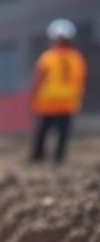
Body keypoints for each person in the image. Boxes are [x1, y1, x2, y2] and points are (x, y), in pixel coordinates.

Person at [31, 19, 88, 164]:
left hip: (47, 102)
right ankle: (59, 158)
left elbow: (39, 79)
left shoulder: (47, 57)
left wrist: (34, 95)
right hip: (67, 102)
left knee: (42, 132)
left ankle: (38, 157)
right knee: (63, 133)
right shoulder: (77, 58)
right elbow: (80, 81)